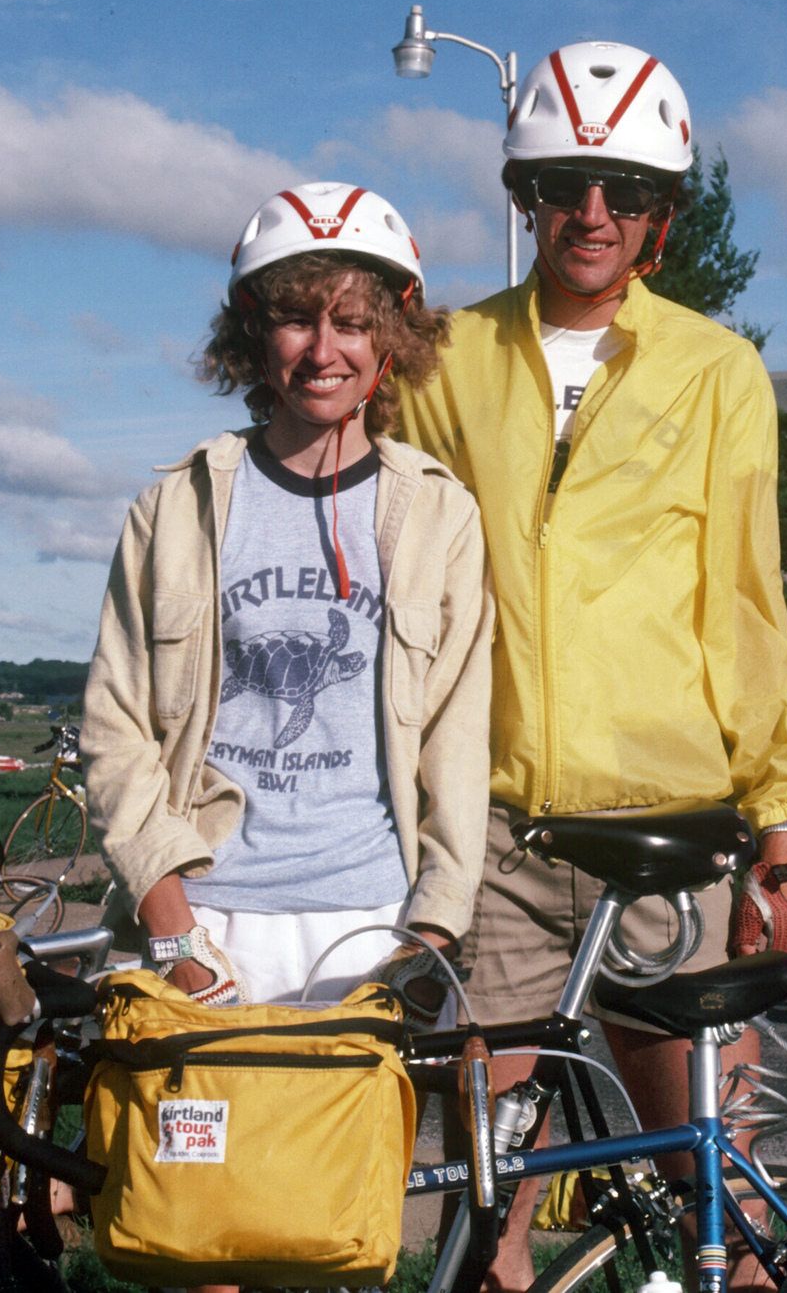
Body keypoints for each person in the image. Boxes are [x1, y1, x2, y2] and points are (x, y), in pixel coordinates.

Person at [392, 41, 787, 1290]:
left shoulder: (716, 370)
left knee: (714, 1191)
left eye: (626, 191)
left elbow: (745, 609)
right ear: (522, 193)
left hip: (666, 832)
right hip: (495, 837)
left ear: (659, 218)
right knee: (483, 1216)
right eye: (564, 183)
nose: (593, 212)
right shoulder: (441, 359)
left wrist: (781, 822)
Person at [81, 181, 493, 1031]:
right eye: (297, 320)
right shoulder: (177, 509)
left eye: (353, 323)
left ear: (392, 336)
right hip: (205, 917)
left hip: (372, 927)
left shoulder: (439, 514)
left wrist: (431, 934)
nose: (323, 350)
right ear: (254, 332)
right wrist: (175, 937)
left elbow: (457, 743)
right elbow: (116, 730)